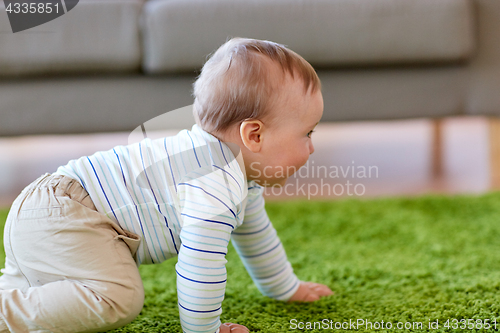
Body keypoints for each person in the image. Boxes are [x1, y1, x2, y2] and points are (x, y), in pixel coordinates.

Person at [0, 37, 332, 333]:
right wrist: (205, 328)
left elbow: (255, 235)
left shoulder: (234, 173)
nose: (312, 146)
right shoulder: (215, 181)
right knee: (119, 297)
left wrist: (284, 287)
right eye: (307, 133)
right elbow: (200, 264)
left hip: (47, 208)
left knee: (37, 292)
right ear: (254, 135)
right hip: (68, 216)